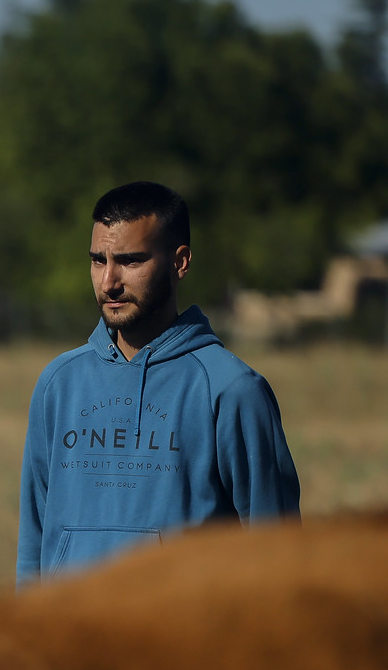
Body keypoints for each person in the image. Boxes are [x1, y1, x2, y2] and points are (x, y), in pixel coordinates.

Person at [18, 182, 300, 581]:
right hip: (72, 636)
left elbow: (278, 552)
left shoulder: (232, 389)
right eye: (99, 260)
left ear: (180, 261)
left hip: (186, 638)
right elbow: (34, 542)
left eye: (131, 261)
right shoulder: (59, 384)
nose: (109, 281)